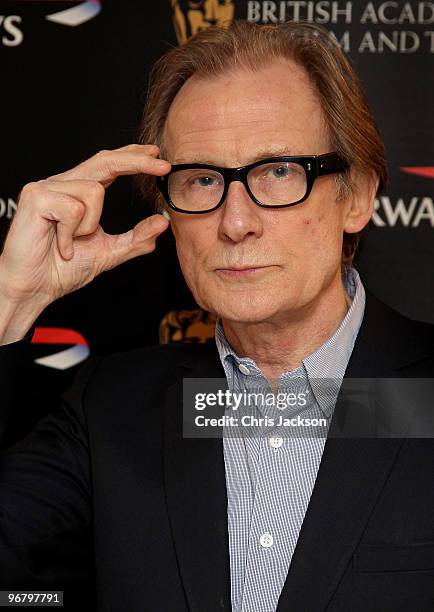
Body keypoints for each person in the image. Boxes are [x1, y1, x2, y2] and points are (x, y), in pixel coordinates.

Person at [1, 20, 434, 612]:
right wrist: (12, 298)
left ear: (356, 195)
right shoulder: (111, 409)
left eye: (279, 172)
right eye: (202, 180)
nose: (235, 223)